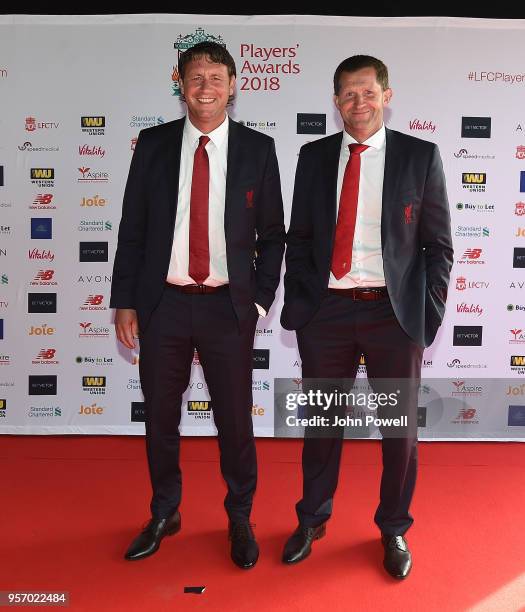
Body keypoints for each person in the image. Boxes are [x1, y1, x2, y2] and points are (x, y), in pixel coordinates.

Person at [110, 41, 285, 569]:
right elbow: (132, 230)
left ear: (234, 85)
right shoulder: (155, 144)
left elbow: (274, 236)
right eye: (195, 76)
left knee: (235, 421)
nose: (205, 86)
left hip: (228, 309)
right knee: (161, 418)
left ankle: (239, 516)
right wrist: (125, 301)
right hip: (162, 304)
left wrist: (256, 303)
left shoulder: (258, 149)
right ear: (179, 83)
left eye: (215, 76)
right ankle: (165, 511)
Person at [280, 55, 453, 578]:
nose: (359, 104)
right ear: (336, 103)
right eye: (348, 95)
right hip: (326, 313)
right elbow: (301, 237)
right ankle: (312, 518)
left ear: (387, 94)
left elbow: (438, 246)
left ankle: (394, 528)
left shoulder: (419, 157)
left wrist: (428, 313)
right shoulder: (313, 156)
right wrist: (304, 304)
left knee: (398, 431)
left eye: (368, 92)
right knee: (322, 425)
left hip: (391, 315)